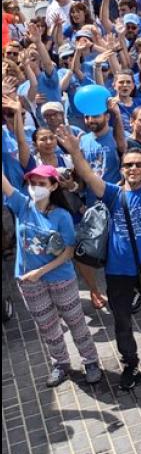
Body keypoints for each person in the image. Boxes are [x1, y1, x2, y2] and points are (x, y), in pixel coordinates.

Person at [58, 117, 141, 389]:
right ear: (122, 169)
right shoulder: (112, 193)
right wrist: (75, 152)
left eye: (139, 165)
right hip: (118, 271)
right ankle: (130, 364)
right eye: (128, 165)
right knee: (122, 321)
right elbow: (89, 175)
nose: (133, 168)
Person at [2, 165, 101, 386]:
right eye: (32, 183)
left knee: (76, 322)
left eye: (41, 183)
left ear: (54, 186)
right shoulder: (22, 205)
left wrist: (40, 272)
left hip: (60, 279)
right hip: (28, 282)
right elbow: (5, 183)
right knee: (47, 326)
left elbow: (68, 252)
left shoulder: (62, 215)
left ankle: (91, 361)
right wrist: (33, 276)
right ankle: (60, 363)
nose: (35, 187)